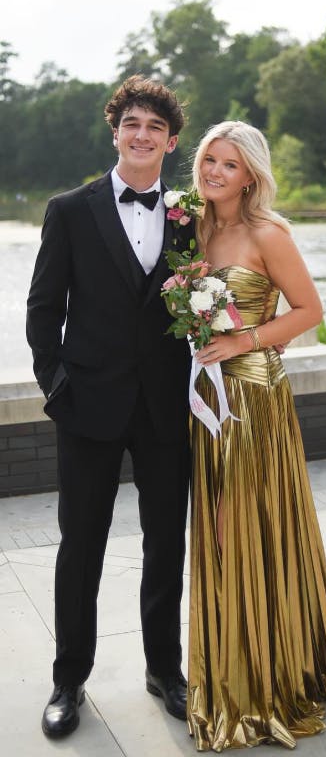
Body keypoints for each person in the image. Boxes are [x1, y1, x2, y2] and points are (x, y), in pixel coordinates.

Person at [187, 121, 326, 751]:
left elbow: (309, 311)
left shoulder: (268, 233)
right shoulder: (193, 228)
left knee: (250, 524)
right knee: (219, 528)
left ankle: (270, 679)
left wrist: (243, 340)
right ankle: (229, 671)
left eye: (229, 164)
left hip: (252, 401)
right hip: (204, 398)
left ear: (251, 175)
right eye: (209, 159)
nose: (215, 172)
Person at [26, 75, 194, 738]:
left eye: (155, 126)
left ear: (171, 142)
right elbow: (43, 310)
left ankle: (165, 671)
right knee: (81, 547)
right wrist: (58, 387)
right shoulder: (70, 210)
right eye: (132, 124)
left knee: (167, 544)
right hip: (87, 407)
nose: (142, 135)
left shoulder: (189, 215)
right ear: (115, 131)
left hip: (165, 409)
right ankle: (68, 680)